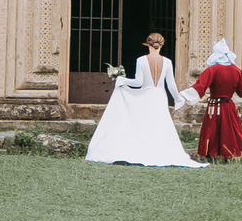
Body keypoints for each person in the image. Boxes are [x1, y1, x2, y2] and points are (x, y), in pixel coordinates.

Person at [83, 31, 202, 168]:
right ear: (161, 45)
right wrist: (178, 99)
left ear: (148, 45)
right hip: (159, 96)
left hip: (146, 95)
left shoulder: (141, 60)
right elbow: (171, 85)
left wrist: (122, 80)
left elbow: (138, 82)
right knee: (160, 125)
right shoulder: (167, 62)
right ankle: (158, 152)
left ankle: (142, 150)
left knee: (144, 124)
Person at [193, 37, 242, 161]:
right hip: (228, 105)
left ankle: (211, 155)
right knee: (228, 130)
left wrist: (186, 96)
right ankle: (227, 155)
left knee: (211, 130)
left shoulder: (212, 70)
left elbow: (200, 87)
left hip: (214, 106)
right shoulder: (237, 71)